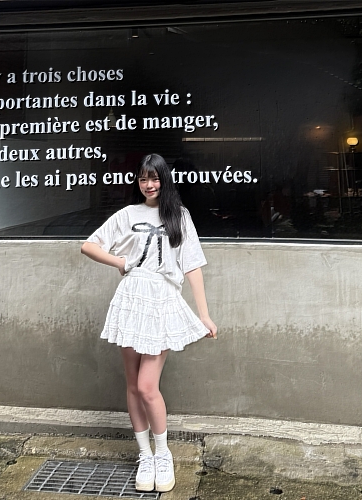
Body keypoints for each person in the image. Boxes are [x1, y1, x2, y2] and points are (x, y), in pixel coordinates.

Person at [81, 153, 217, 493]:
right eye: (143, 179)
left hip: (162, 300)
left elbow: (192, 265)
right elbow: (88, 245)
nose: (148, 184)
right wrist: (121, 262)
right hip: (132, 299)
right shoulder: (128, 215)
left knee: (146, 386)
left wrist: (203, 314)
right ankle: (145, 455)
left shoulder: (179, 216)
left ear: (164, 180)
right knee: (132, 385)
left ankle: (163, 453)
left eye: (154, 178)